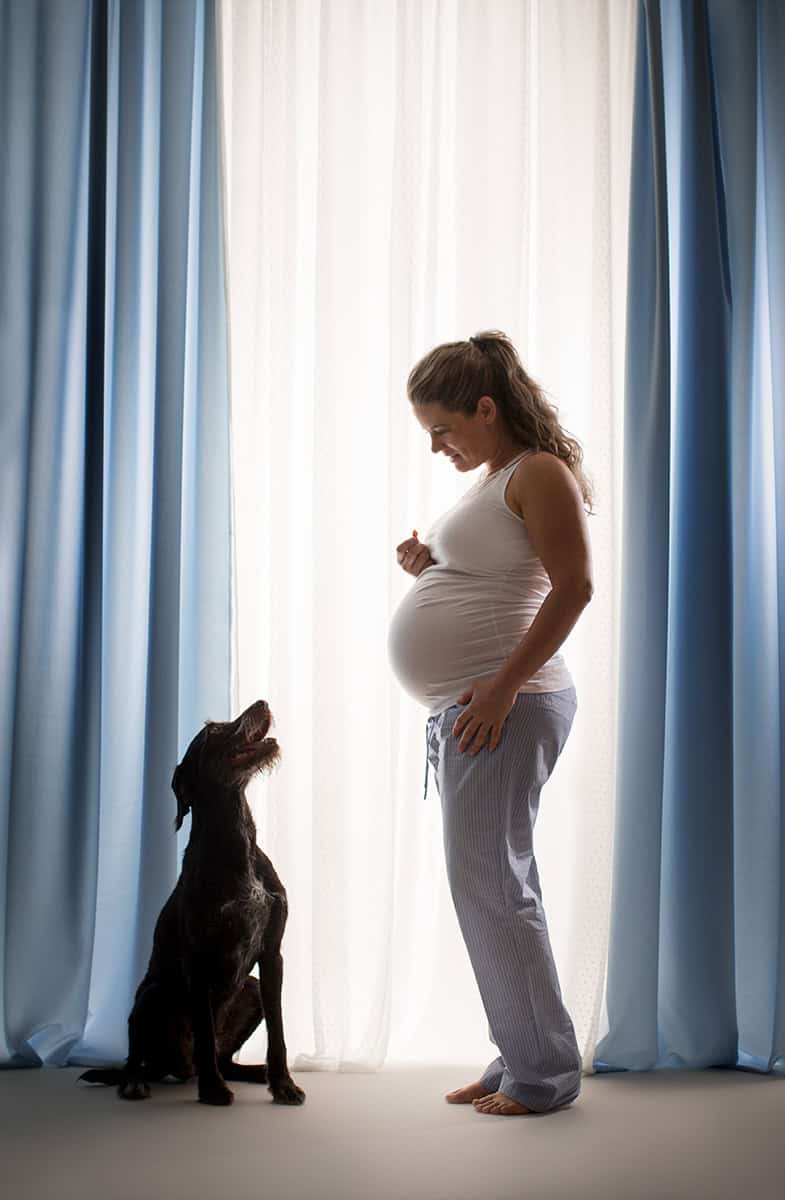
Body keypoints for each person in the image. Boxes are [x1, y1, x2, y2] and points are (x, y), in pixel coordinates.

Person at [387, 330, 594, 1116]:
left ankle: (542, 1076)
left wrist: (503, 688)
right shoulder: (494, 479)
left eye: (441, 428)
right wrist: (428, 568)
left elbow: (572, 587)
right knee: (494, 886)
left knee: (493, 890)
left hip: (510, 702)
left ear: (483, 407)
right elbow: (498, 576)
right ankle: (520, 1055)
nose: (435, 446)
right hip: (477, 707)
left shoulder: (539, 472)